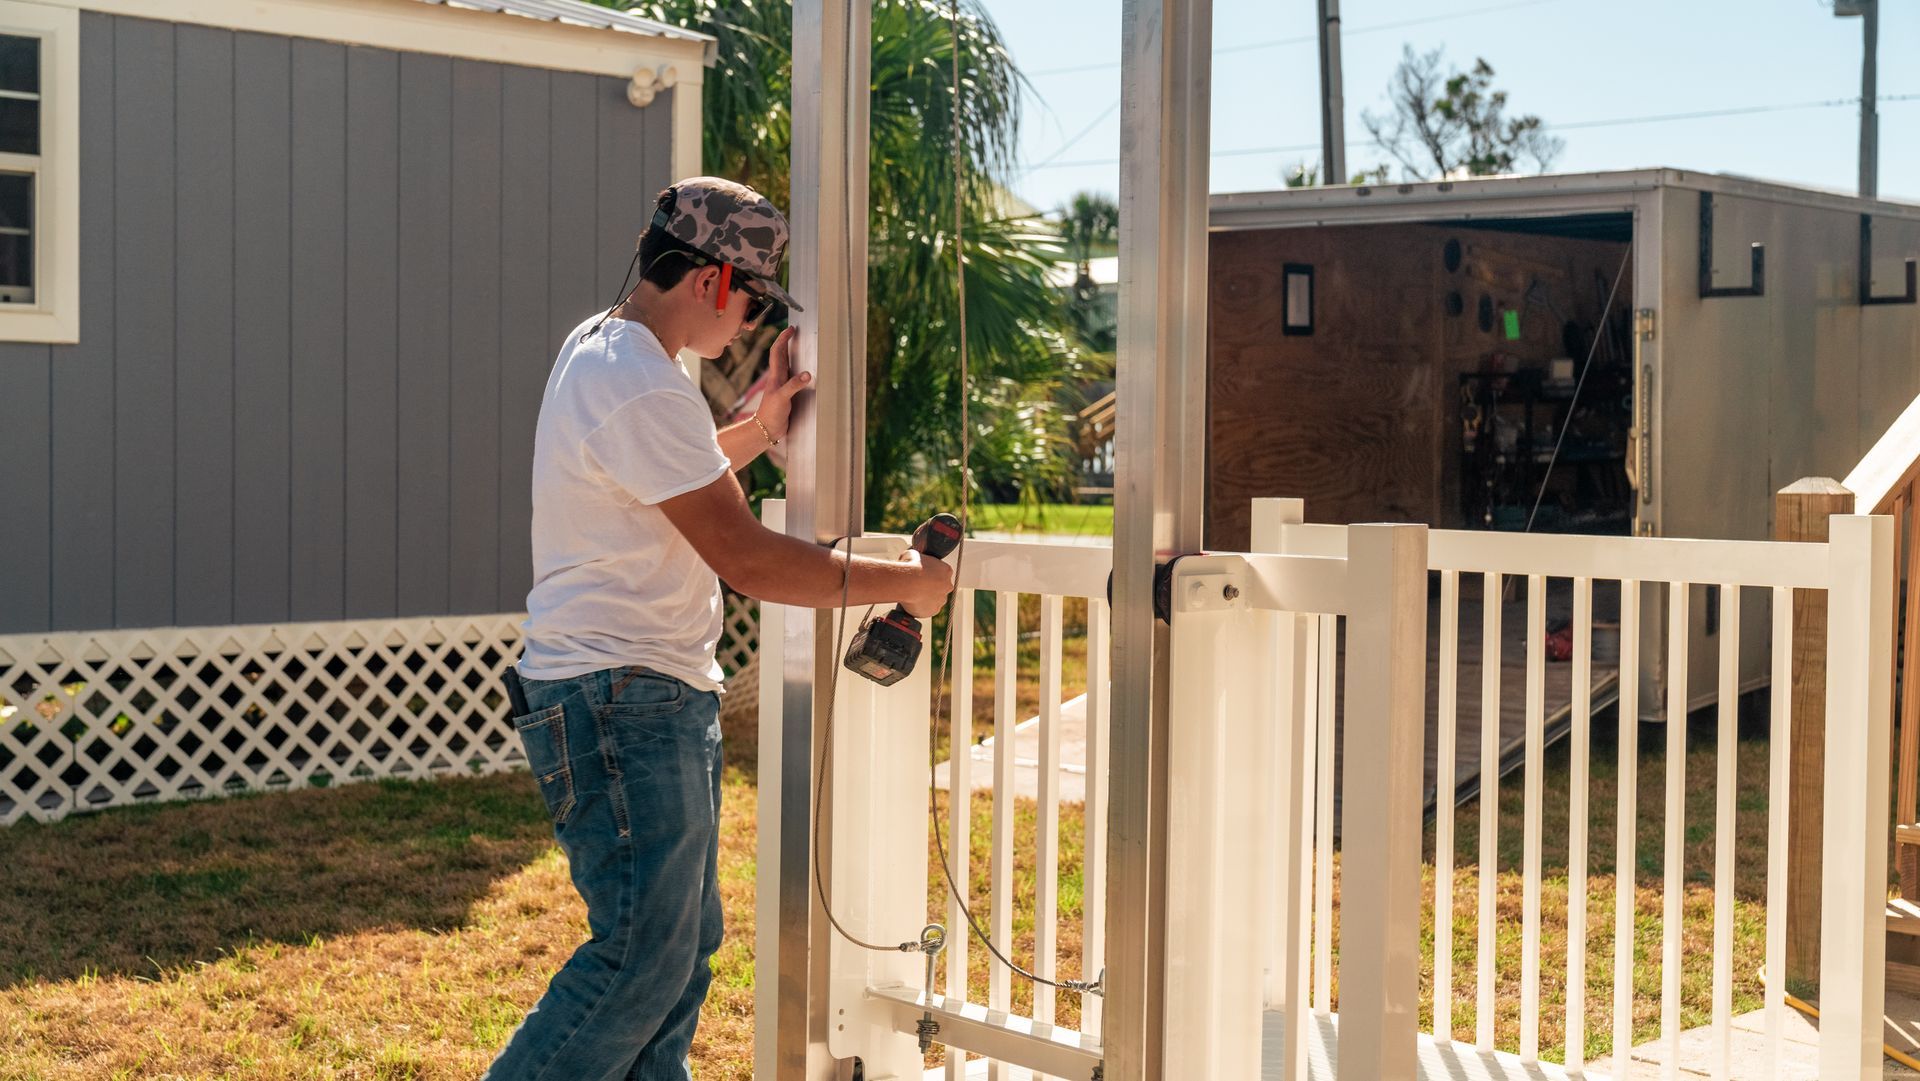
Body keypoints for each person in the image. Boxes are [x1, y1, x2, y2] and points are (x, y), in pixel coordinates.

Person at [484, 177, 954, 1081]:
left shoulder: (607, 351)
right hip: (624, 698)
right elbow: (751, 560)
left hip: (630, 691)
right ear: (710, 281)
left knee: (679, 949)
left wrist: (755, 426)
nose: (748, 325)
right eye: (755, 299)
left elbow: (669, 477)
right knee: (640, 959)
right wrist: (912, 583)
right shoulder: (637, 381)